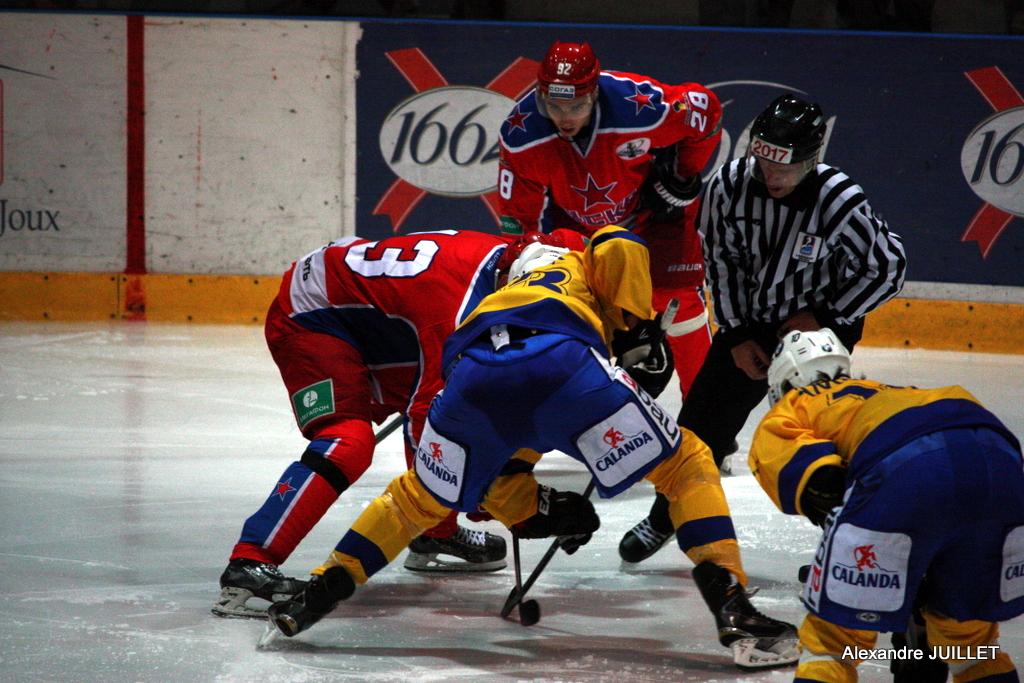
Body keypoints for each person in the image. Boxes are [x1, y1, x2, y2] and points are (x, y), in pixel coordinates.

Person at [266, 225, 800, 670]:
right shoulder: (577, 259)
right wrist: (635, 323)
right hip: (563, 364)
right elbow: (617, 243)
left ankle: (316, 594)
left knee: (412, 501)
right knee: (686, 464)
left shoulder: (496, 288)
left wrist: (535, 508)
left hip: (472, 380)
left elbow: (507, 459)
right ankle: (733, 607)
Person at [619, 92, 908, 564]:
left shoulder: (839, 199)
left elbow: (888, 268)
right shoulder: (728, 186)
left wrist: (827, 318)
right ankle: (666, 514)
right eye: (764, 163)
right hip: (750, 320)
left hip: (819, 330)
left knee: (821, 434)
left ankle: (842, 545)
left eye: (784, 168)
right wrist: (736, 335)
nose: (771, 176)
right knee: (700, 425)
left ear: (810, 160)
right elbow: (722, 262)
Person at [212, 229, 554, 618]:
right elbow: (428, 421)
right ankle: (249, 565)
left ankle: (435, 533)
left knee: (451, 398)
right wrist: (486, 496)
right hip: (310, 315)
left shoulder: (509, 265)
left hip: (369, 316)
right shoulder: (456, 309)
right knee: (349, 441)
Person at [749, 328, 1023, 683]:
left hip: (907, 467)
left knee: (833, 646)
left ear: (784, 383)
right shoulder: (891, 390)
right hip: (999, 464)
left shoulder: (793, 405)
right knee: (971, 649)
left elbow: (821, 486)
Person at [497, 40, 721, 409]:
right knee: (561, 309)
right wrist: (528, 261)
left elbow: (707, 111)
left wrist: (682, 174)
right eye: (554, 106)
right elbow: (519, 221)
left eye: (577, 106)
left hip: (652, 219)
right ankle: (581, 416)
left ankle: (705, 417)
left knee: (680, 303)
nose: (565, 117)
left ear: (595, 93)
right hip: (578, 233)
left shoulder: (640, 106)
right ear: (541, 96)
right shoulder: (521, 136)